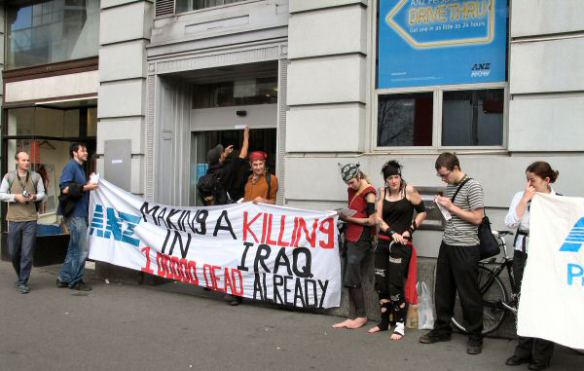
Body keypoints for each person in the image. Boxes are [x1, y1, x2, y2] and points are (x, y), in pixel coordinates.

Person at [419, 152, 485, 355]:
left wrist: (451, 206)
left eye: (445, 175)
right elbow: (452, 214)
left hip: (466, 246)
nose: (443, 179)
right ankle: (442, 329)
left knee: (468, 294)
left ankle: (475, 336)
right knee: (443, 290)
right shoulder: (451, 186)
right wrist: (443, 207)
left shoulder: (473, 186)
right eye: (440, 176)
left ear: (456, 168)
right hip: (448, 243)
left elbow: (477, 218)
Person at [504, 161, 559, 371]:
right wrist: (525, 200)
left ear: (546, 180)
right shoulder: (521, 196)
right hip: (522, 253)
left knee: (544, 304)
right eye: (527, 179)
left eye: (533, 180)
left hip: (546, 256)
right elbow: (510, 222)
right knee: (523, 302)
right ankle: (523, 350)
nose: (529, 183)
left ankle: (541, 356)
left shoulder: (557, 200)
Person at [368, 160, 426, 340]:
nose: (394, 181)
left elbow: (423, 212)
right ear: (385, 180)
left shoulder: (409, 190)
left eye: (396, 177)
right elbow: (378, 217)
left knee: (395, 284)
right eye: (390, 178)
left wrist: (409, 231)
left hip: (402, 245)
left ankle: (400, 323)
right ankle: (384, 321)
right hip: (384, 242)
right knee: (381, 283)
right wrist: (391, 232)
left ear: (400, 176)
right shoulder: (382, 192)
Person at [332, 163, 376, 329]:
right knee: (349, 275)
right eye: (347, 184)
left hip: (361, 237)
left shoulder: (369, 192)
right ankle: (354, 315)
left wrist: (349, 219)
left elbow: (372, 220)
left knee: (352, 273)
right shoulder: (352, 189)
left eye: (351, 182)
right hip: (351, 234)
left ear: (359, 176)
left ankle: (361, 315)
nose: (350, 186)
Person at [0, 151, 46, 294]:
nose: (26, 162)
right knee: (13, 253)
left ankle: (23, 281)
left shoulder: (35, 176)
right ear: (17, 161)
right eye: (23, 160)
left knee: (27, 253)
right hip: (14, 219)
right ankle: (21, 276)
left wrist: (34, 197)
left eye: (28, 160)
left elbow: (42, 194)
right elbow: (1, 194)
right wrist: (16, 197)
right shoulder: (9, 176)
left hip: (31, 219)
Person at [56, 143, 98, 291]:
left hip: (78, 213)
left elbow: (76, 188)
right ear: (75, 153)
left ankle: (64, 278)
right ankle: (76, 281)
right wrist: (87, 187)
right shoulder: (71, 166)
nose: (86, 152)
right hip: (75, 214)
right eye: (83, 150)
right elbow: (65, 188)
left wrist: (88, 183)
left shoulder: (79, 168)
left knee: (74, 248)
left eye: (86, 150)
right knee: (81, 249)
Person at [198, 127, 249, 205]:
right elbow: (243, 154)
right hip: (228, 205)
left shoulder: (210, 171)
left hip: (217, 205)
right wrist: (246, 136)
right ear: (219, 157)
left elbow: (218, 163)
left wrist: (224, 155)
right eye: (221, 153)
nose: (223, 153)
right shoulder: (227, 170)